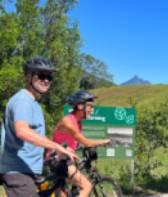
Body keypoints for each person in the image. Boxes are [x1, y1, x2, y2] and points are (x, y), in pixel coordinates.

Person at [0, 56, 79, 197]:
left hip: (29, 171)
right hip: (18, 172)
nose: (46, 80)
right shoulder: (22, 101)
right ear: (28, 76)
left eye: (50, 77)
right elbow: (22, 131)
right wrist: (57, 146)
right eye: (41, 75)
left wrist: (52, 152)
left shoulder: (34, 104)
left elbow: (34, 139)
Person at [52, 90, 110, 197]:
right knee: (87, 186)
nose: (92, 110)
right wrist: (104, 141)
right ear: (79, 106)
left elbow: (75, 142)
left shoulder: (78, 122)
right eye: (90, 106)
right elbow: (86, 141)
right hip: (58, 161)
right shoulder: (68, 122)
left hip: (62, 160)